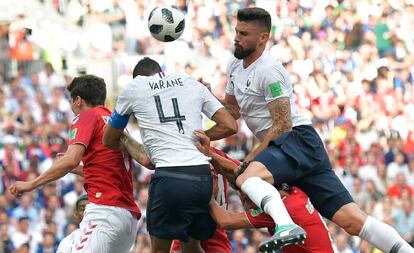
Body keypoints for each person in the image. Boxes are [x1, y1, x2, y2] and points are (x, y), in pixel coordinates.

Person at [221, 7, 414, 253]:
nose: (236, 37)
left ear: (263, 38)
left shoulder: (269, 70)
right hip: (288, 151)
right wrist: (204, 114)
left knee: (248, 177)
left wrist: (249, 159)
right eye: (237, 31)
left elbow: (282, 126)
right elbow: (231, 110)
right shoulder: (234, 63)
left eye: (244, 33)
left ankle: (285, 227)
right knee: (351, 221)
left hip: (295, 141)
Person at [102, 57, 237, 253]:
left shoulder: (134, 88)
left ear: (138, 78)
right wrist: (195, 138)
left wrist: (126, 141)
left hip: (169, 180)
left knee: (159, 251)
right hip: (201, 178)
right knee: (192, 249)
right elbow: (230, 125)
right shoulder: (190, 82)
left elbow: (108, 139)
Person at [9, 75, 140, 253]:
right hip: (127, 220)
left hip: (105, 214)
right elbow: (105, 171)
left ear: (78, 100)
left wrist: (31, 184)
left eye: (71, 101)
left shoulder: (86, 116)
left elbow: (70, 160)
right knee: (65, 247)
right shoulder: (114, 122)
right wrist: (76, 170)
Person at [194, 130, 334, 253]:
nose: (247, 204)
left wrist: (209, 196)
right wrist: (209, 154)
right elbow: (240, 172)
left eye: (246, 198)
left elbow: (226, 221)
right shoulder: (291, 191)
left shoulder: (278, 209)